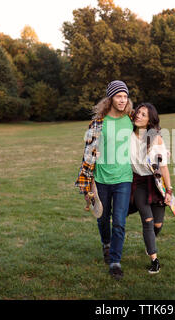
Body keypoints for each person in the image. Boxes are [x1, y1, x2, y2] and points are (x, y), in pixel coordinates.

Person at [75, 80, 134, 280]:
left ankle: (115, 261)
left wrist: (161, 147)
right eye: (119, 96)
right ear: (110, 99)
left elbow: (148, 134)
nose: (122, 100)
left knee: (119, 221)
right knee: (102, 217)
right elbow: (87, 152)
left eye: (125, 96)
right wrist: (88, 178)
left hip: (124, 178)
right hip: (100, 177)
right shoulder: (98, 123)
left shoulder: (131, 119)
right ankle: (106, 243)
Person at [129, 102, 172, 274]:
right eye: (138, 112)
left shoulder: (156, 138)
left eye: (144, 114)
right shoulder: (127, 134)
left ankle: (150, 242)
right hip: (138, 183)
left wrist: (169, 190)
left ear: (150, 120)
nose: (139, 115)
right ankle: (154, 260)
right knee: (147, 220)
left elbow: (164, 168)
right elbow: (123, 111)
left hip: (156, 184)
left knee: (158, 224)